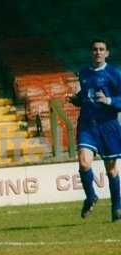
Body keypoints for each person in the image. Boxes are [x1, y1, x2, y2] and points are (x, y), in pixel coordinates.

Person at [69, 39, 121, 222]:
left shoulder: (115, 73)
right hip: (87, 125)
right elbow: (85, 96)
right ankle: (91, 196)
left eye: (101, 49)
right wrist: (76, 99)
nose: (98, 52)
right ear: (91, 53)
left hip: (108, 127)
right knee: (84, 163)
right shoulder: (83, 73)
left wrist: (109, 101)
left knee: (112, 170)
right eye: (94, 49)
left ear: (107, 53)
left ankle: (117, 208)